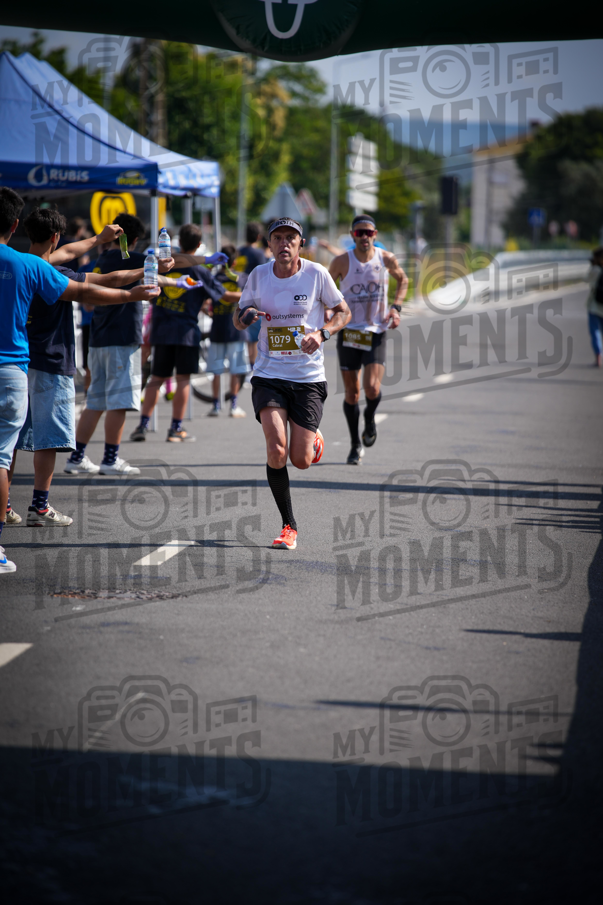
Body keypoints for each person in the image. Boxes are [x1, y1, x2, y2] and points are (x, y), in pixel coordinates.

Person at [0, 188, 159, 571]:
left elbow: (74, 256)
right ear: (14, 225)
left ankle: (7, 507)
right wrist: (135, 289)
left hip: (27, 365)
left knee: (12, 445)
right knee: (27, 445)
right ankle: (38, 506)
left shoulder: (36, 261)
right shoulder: (33, 267)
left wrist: (97, 240)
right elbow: (93, 286)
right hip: (28, 365)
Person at [233, 217, 351, 550]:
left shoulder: (316, 274)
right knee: (276, 451)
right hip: (269, 374)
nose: (284, 243)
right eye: (278, 238)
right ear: (269, 244)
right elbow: (238, 318)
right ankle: (289, 526)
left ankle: (312, 439)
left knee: (300, 459)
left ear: (301, 243)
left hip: (307, 377)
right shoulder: (259, 276)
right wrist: (245, 317)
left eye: (290, 238)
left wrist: (323, 333)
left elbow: (343, 312)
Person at [64, 213, 177, 475]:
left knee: (95, 401)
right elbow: (166, 267)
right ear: (134, 240)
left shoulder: (100, 260)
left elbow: (88, 303)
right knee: (119, 402)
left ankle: (77, 457)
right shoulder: (138, 259)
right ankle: (110, 459)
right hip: (123, 339)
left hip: (98, 339)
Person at [130, 223, 230, 442]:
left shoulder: (166, 264)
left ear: (179, 242)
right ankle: (175, 429)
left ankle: (142, 426)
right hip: (186, 332)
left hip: (161, 329)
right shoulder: (200, 271)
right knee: (183, 379)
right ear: (199, 244)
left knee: (156, 378)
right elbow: (222, 295)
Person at [328, 214, 408, 465]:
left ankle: (370, 417)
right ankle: (355, 444)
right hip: (350, 331)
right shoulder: (341, 261)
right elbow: (324, 290)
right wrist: (329, 313)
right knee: (352, 393)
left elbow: (403, 280)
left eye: (369, 232)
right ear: (353, 235)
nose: (364, 237)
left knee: (372, 388)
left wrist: (396, 308)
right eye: (359, 233)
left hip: (375, 331)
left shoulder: (385, 258)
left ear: (375, 235)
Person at [206, 245, 248, 418]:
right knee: (235, 370)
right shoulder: (242, 278)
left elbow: (205, 304)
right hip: (236, 330)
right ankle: (233, 405)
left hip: (217, 329)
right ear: (235, 262)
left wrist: (210, 312)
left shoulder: (213, 279)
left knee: (216, 370)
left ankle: (216, 406)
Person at [235, 222, 267, 370]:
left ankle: (246, 365)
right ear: (259, 237)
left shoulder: (239, 251)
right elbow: (263, 275)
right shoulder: (259, 253)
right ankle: (252, 366)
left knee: (243, 331)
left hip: (238, 293)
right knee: (254, 336)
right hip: (254, 296)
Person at [586, 247, 603, 367]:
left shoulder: (596, 270)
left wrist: (592, 267)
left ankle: (598, 358)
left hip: (594, 306)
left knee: (595, 331)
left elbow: (586, 280)